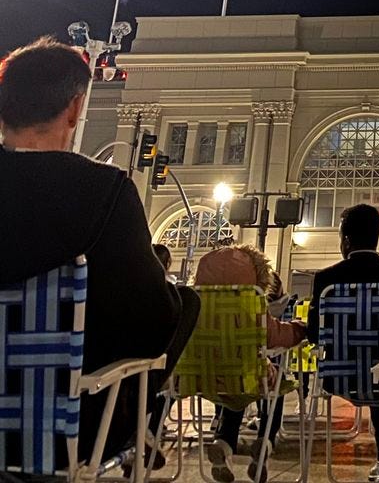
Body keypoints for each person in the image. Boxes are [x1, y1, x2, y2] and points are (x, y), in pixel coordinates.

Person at [0, 37, 200, 467]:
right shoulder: (104, 192)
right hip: (61, 429)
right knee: (185, 303)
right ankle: (132, 430)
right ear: (75, 109)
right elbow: (152, 315)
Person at [195, 244, 306, 483]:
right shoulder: (249, 300)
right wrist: (299, 329)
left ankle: (223, 443)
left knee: (235, 390)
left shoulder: (199, 300)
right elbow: (275, 335)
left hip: (203, 374)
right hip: (247, 373)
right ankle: (265, 442)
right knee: (272, 382)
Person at [308, 204, 379, 482]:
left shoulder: (326, 279)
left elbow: (313, 334)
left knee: (371, 371)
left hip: (338, 377)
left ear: (345, 240)